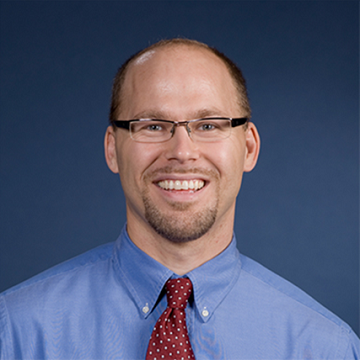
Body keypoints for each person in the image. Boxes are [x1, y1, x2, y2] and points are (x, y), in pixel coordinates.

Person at [0, 38, 358, 360]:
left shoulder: (326, 348)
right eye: (153, 125)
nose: (182, 152)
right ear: (112, 149)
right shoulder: (14, 331)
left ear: (248, 148)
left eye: (209, 125)